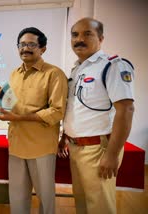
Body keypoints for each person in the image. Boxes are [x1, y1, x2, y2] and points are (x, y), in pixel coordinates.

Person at [58, 17, 135, 214]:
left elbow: (126, 109)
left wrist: (111, 154)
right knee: (83, 202)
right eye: (75, 35)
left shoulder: (113, 65)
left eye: (87, 34)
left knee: (100, 207)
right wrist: (65, 136)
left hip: (98, 148)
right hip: (76, 147)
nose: (79, 39)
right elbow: (77, 108)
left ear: (101, 38)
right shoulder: (77, 69)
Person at [0, 27, 68, 214]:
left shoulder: (54, 74)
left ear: (43, 48)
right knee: (17, 196)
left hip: (41, 146)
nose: (26, 48)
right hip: (16, 144)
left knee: (45, 198)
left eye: (31, 44)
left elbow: (57, 112)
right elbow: (14, 104)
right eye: (22, 44)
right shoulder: (14, 73)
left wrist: (18, 117)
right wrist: (1, 93)